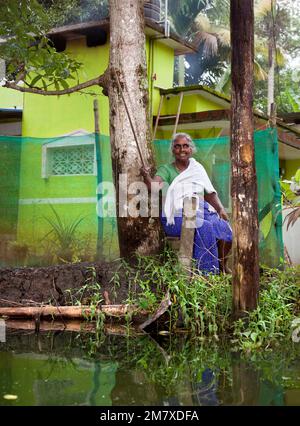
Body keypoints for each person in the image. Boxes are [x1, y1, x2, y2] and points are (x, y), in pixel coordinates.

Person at [141, 133, 232, 274]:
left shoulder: (197, 168)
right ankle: (206, 273)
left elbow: (209, 192)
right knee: (205, 226)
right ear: (173, 150)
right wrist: (146, 176)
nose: (181, 149)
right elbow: (154, 186)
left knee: (224, 227)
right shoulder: (166, 170)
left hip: (199, 210)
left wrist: (220, 209)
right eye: (177, 146)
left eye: (185, 146)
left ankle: (221, 265)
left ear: (191, 149)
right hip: (175, 218)